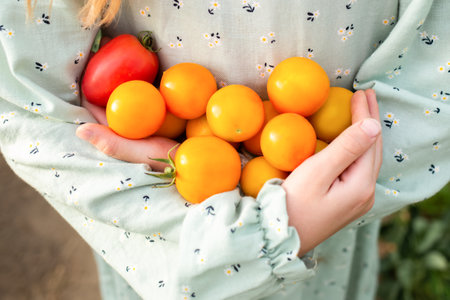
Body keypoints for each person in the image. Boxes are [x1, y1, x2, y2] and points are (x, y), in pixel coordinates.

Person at [0, 0, 448, 299]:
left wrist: (286, 222)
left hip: (327, 240)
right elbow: (27, 110)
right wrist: (267, 231)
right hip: (158, 228)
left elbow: (433, 91)